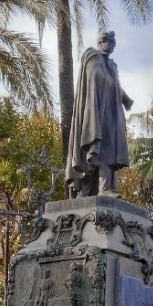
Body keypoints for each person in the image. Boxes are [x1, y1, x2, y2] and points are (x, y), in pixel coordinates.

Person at [66, 31, 133, 197]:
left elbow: (113, 84)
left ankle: (103, 189)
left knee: (109, 151)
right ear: (102, 42)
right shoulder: (92, 58)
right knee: (96, 151)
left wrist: (125, 99)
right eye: (111, 43)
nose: (113, 47)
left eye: (115, 45)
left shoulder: (111, 65)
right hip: (94, 113)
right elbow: (94, 80)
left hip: (110, 115)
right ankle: (98, 191)